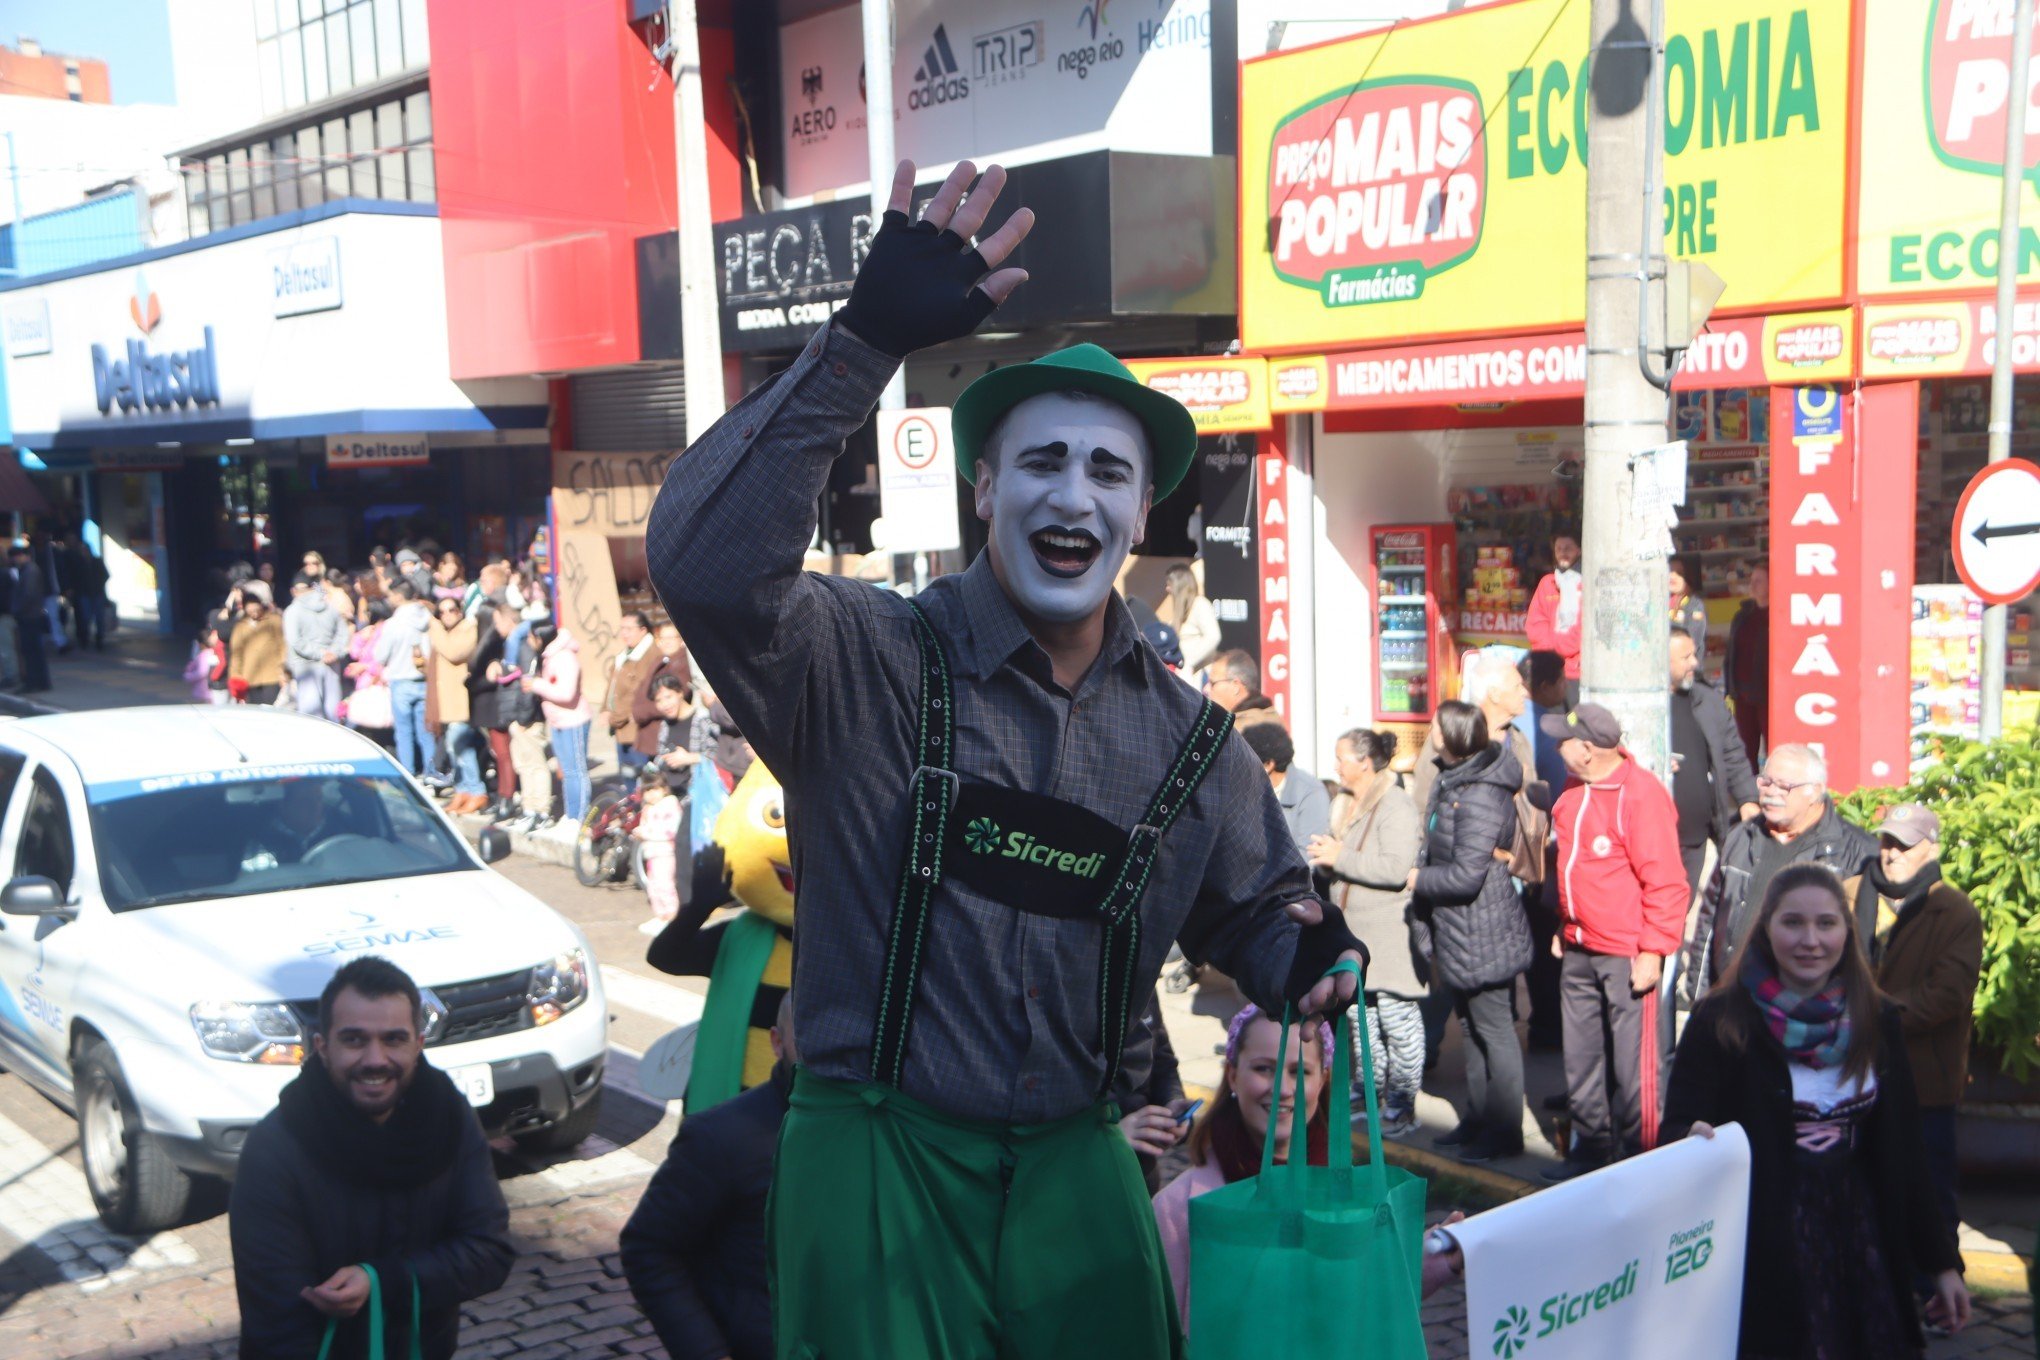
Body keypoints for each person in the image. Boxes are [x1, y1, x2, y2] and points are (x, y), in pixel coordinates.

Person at [645, 156, 1365, 1360]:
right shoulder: (862, 660)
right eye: (1041, 461)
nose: (1071, 494)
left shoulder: (1191, 742)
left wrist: (1304, 950)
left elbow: (1256, 910)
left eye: (1107, 471)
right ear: (984, 486)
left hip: (1080, 1164)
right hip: (877, 1163)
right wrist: (860, 340)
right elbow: (705, 563)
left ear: (1142, 515)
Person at [1665, 866, 1970, 1358]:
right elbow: (1677, 1127)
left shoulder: (1878, 1018)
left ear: (1847, 933)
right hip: (1764, 1246)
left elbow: (1907, 1155)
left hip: (1862, 1240)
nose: (1811, 940)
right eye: (1793, 923)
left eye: (1826, 924)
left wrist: (1942, 1264)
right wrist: (1689, 1137)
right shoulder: (1720, 1021)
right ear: (1766, 928)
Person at [229, 956, 514, 1360]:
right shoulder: (274, 1149)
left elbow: (490, 1251)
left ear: (418, 1044)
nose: (376, 1059)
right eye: (355, 1040)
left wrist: (384, 1281)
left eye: (393, 1039)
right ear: (323, 1048)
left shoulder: (450, 1118)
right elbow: (278, 1320)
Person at [1542, 703, 1688, 1181]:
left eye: (1563, 739)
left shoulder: (1641, 795)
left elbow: (1666, 881)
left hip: (1626, 950)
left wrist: (1653, 949)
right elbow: (1572, 865)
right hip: (1581, 943)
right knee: (1580, 1057)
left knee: (1635, 1068)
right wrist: (1567, 924)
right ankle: (1591, 1149)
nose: (1555, 744)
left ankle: (1642, 1158)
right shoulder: (1575, 787)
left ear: (1586, 749)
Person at [621, 994, 798, 1360]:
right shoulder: (722, 1136)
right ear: (777, 1043)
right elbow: (649, 1248)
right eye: (811, 1033)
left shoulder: (887, 1127)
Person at [1842, 804, 1983, 1240]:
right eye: (1887, 841)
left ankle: (1937, 1291)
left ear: (1931, 849)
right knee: (1853, 1190)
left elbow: (1945, 997)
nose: (1892, 853)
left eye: (1905, 844)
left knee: (1930, 1194)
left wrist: (1866, 1014)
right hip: (1848, 1073)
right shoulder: (1844, 894)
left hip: (1924, 1081)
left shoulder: (1956, 911)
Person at [1150, 1006, 1334, 1331]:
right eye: (1264, 1069)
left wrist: (1433, 1261)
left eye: (1300, 1072)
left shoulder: (1344, 1193)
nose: (1282, 1088)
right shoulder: (1176, 1210)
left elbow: (1368, 1302)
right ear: (1232, 1074)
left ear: (1322, 1080)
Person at [1413, 700, 1533, 1163]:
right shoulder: (1451, 778)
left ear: (1454, 736)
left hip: (1483, 929)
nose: (1430, 733)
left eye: (1436, 727)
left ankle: (1504, 1132)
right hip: (1456, 928)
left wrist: (1417, 880)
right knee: (1470, 1027)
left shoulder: (1481, 791)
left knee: (1495, 1031)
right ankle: (1478, 1119)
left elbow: (1467, 874)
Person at [1687, 743, 1878, 1000]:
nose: (1770, 793)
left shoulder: (1857, 851)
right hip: (1734, 1000)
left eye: (1784, 786)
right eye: (1765, 782)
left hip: (1808, 1009)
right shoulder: (1740, 837)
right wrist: (1700, 994)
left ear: (1815, 792)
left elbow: (1867, 945)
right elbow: (1709, 919)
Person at [1306, 727, 1425, 1135]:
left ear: (1365, 762)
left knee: (1397, 1021)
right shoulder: (1345, 803)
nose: (1335, 766)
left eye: (1341, 758)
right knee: (1361, 1022)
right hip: (1353, 938)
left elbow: (1395, 869)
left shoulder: (1396, 806)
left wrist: (1340, 857)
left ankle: (1403, 1102)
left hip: (1388, 938)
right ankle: (1369, 1091)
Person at [1668, 625, 1760, 899]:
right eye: (1686, 657)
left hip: (1696, 837)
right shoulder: (1641, 707)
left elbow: (1733, 754)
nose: (1695, 663)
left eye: (1694, 655)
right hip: (1655, 839)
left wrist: (1747, 799)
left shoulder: (1706, 700)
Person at [523, 622, 591, 824]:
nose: (528, 642)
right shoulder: (549, 656)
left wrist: (537, 685)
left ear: (541, 638)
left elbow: (566, 693)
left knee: (575, 771)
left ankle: (579, 818)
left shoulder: (564, 658)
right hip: (559, 721)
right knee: (566, 772)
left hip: (573, 721)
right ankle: (570, 815)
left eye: (531, 637)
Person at [428, 598, 486, 815]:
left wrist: (434, 628)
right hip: (447, 703)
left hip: (461, 702)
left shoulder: (467, 629)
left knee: (461, 746)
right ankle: (462, 790)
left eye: (452, 610)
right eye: (442, 612)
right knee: (453, 749)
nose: (447, 615)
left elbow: (454, 652)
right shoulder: (446, 633)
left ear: (460, 611)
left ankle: (476, 790)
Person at [468, 602, 525, 822]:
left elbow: (499, 676)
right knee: (499, 753)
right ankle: (502, 796)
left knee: (504, 755)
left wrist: (474, 682)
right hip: (493, 706)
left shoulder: (504, 643)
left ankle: (507, 798)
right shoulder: (500, 642)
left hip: (499, 706)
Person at [375, 579, 435, 777]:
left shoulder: (393, 624)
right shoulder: (428, 619)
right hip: (425, 680)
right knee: (427, 732)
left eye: (391, 595)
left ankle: (408, 773)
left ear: (399, 596)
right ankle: (432, 772)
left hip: (401, 680)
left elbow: (381, 656)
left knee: (403, 732)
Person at [1241, 721, 1330, 849]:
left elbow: (1308, 854)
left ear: (1268, 765)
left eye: (1245, 761)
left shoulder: (1311, 793)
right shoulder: (1244, 790)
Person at [286, 572, 354, 723]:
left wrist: (319, 653)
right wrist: (334, 653)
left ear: (294, 591)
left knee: (311, 715)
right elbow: (343, 634)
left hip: (305, 665)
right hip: (332, 662)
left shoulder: (292, 610)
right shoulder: (330, 607)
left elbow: (295, 641)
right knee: (333, 711)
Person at [1523, 533, 1582, 702]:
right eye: (1559, 549)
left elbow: (1586, 625)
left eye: (1568, 548)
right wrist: (1550, 655)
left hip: (1576, 671)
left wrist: (1562, 648)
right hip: (1550, 670)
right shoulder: (1547, 583)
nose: (1563, 553)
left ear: (1578, 550)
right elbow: (1536, 624)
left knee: (1574, 722)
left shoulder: (1588, 583)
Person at [628, 620, 695, 765]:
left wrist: (640, 712)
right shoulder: (659, 660)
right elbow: (642, 689)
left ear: (681, 639)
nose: (666, 642)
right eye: (662, 638)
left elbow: (676, 696)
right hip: (650, 734)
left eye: (671, 638)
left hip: (666, 732)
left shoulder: (683, 663)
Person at [1724, 563, 1771, 766]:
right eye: (1751, 580)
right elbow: (1732, 653)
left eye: (1759, 581)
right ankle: (1747, 793)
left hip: (1766, 694)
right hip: (1742, 693)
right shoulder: (1742, 615)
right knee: (1745, 749)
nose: (1753, 585)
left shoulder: (1778, 615)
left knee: (1774, 746)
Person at [601, 611, 660, 771]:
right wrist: (605, 709)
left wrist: (616, 717)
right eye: (622, 629)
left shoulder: (651, 656)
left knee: (640, 778)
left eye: (629, 629)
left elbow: (638, 692)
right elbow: (612, 685)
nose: (624, 633)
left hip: (637, 728)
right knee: (627, 776)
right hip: (621, 728)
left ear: (643, 630)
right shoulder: (624, 654)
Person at [633, 765, 685, 935]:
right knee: (654, 886)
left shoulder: (670, 805)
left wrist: (645, 832)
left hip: (665, 852)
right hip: (652, 852)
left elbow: (670, 830)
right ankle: (661, 915)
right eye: (647, 791)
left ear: (664, 789)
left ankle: (672, 917)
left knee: (665, 885)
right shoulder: (649, 808)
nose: (651, 794)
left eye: (655, 789)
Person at [1158, 563, 1220, 673]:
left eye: (1169, 584)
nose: (1167, 589)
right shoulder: (1179, 613)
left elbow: (1213, 636)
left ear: (1179, 585)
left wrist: (1188, 662)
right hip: (1182, 673)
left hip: (1198, 675)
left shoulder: (1200, 604)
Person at [229, 593, 288, 706]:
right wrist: (236, 677)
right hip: (250, 677)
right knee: (255, 711)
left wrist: (284, 671)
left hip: (273, 676)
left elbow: (283, 646)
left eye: (256, 607)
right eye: (250, 607)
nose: (254, 611)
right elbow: (237, 654)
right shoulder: (240, 626)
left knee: (272, 709)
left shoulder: (274, 620)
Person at [8, 542, 50, 694]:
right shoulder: (27, 570)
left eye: (16, 557)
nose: (15, 560)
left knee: (31, 650)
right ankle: (41, 681)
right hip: (30, 615)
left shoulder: (30, 571)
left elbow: (28, 595)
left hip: (30, 616)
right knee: (34, 650)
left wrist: (17, 610)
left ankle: (34, 681)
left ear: (23, 556)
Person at [1668, 554, 1708, 662]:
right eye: (1669, 571)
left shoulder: (1695, 605)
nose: (1673, 576)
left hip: (1687, 669)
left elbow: (1694, 640)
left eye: (1679, 573)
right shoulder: (1660, 604)